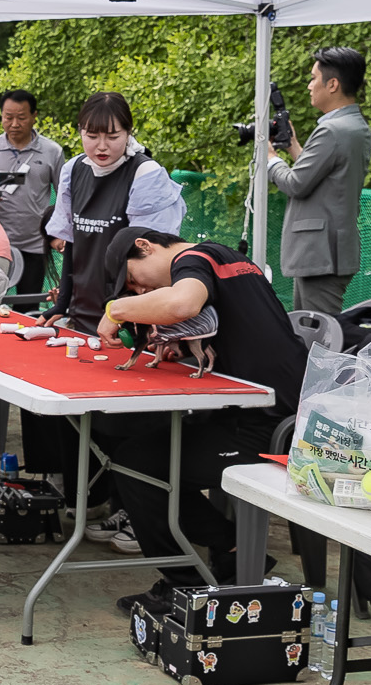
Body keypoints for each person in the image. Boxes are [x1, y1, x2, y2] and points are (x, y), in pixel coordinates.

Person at [89, 227, 307, 583]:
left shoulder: (193, 259)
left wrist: (117, 309)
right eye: (133, 291)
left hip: (271, 426)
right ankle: (232, 551)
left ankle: (188, 589)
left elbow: (181, 304)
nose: (142, 291)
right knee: (139, 448)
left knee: (137, 466)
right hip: (274, 408)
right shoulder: (227, 256)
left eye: (134, 279)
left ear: (144, 246)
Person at [45, 93, 186, 332]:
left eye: (113, 137)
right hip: (83, 309)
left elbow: (154, 262)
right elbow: (71, 242)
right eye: (91, 136)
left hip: (131, 317)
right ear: (80, 132)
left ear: (129, 132)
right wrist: (62, 303)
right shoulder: (73, 169)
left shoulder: (145, 174)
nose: (101, 146)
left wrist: (120, 313)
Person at [266, 45, 371, 316]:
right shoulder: (353, 125)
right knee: (311, 330)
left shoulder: (332, 130)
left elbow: (296, 184)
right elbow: (322, 177)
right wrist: (293, 148)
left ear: (332, 84)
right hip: (328, 252)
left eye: (314, 78)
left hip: (321, 254)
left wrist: (270, 159)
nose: (310, 85)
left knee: (320, 337)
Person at [0, 88, 64, 296]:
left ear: (34, 116)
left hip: (35, 245)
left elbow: (64, 195)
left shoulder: (52, 152)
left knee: (29, 304)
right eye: (8, 117)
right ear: (1, 115)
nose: (14, 124)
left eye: (21, 117)